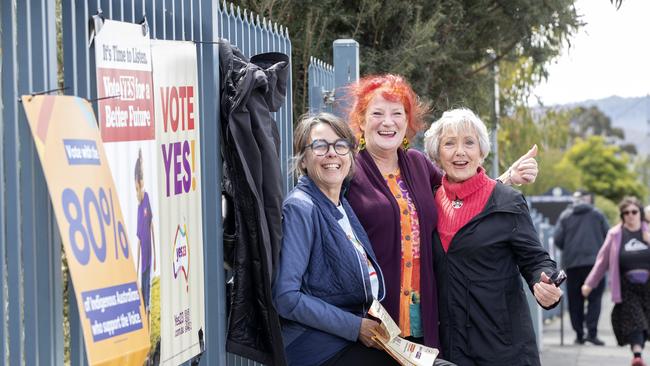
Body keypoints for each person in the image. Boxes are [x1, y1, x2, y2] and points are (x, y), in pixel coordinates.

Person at [345, 74, 539, 349]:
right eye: (377, 113)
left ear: (407, 122)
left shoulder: (418, 163)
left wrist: (507, 178)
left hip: (425, 319)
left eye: (397, 113)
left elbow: (463, 193)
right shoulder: (348, 170)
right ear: (361, 121)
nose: (388, 122)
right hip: (374, 321)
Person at [272, 113, 455, 366]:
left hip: (351, 342)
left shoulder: (341, 205)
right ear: (303, 160)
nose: (332, 154)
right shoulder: (301, 208)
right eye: (320, 146)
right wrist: (355, 326)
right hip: (320, 350)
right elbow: (286, 298)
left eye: (340, 146)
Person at [423, 108, 563, 366]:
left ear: (481, 151)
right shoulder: (429, 202)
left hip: (503, 345)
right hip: (449, 348)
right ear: (437, 153)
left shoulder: (507, 200)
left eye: (469, 142)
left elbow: (536, 260)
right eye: (449, 143)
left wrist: (544, 282)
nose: (460, 152)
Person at [582, 197, 650, 366]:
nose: (630, 215)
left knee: (645, 322)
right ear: (622, 215)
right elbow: (602, 261)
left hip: (648, 287)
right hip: (627, 287)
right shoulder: (615, 234)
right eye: (626, 212)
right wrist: (589, 284)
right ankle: (637, 356)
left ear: (640, 213)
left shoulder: (648, 232)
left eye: (634, 212)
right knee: (635, 320)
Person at [554, 190, 609, 345]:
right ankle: (592, 333)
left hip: (572, 264)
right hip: (595, 264)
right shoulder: (597, 214)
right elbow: (608, 235)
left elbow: (558, 239)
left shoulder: (565, 216)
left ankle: (579, 334)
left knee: (574, 300)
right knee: (595, 298)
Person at [134, 148, 156, 325]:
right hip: (143, 262)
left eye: (137, 186)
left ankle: (148, 331)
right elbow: (139, 240)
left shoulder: (146, 199)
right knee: (143, 297)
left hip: (149, 258)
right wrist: (136, 265)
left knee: (148, 296)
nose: (137, 191)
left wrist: (155, 256)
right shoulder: (138, 208)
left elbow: (152, 228)